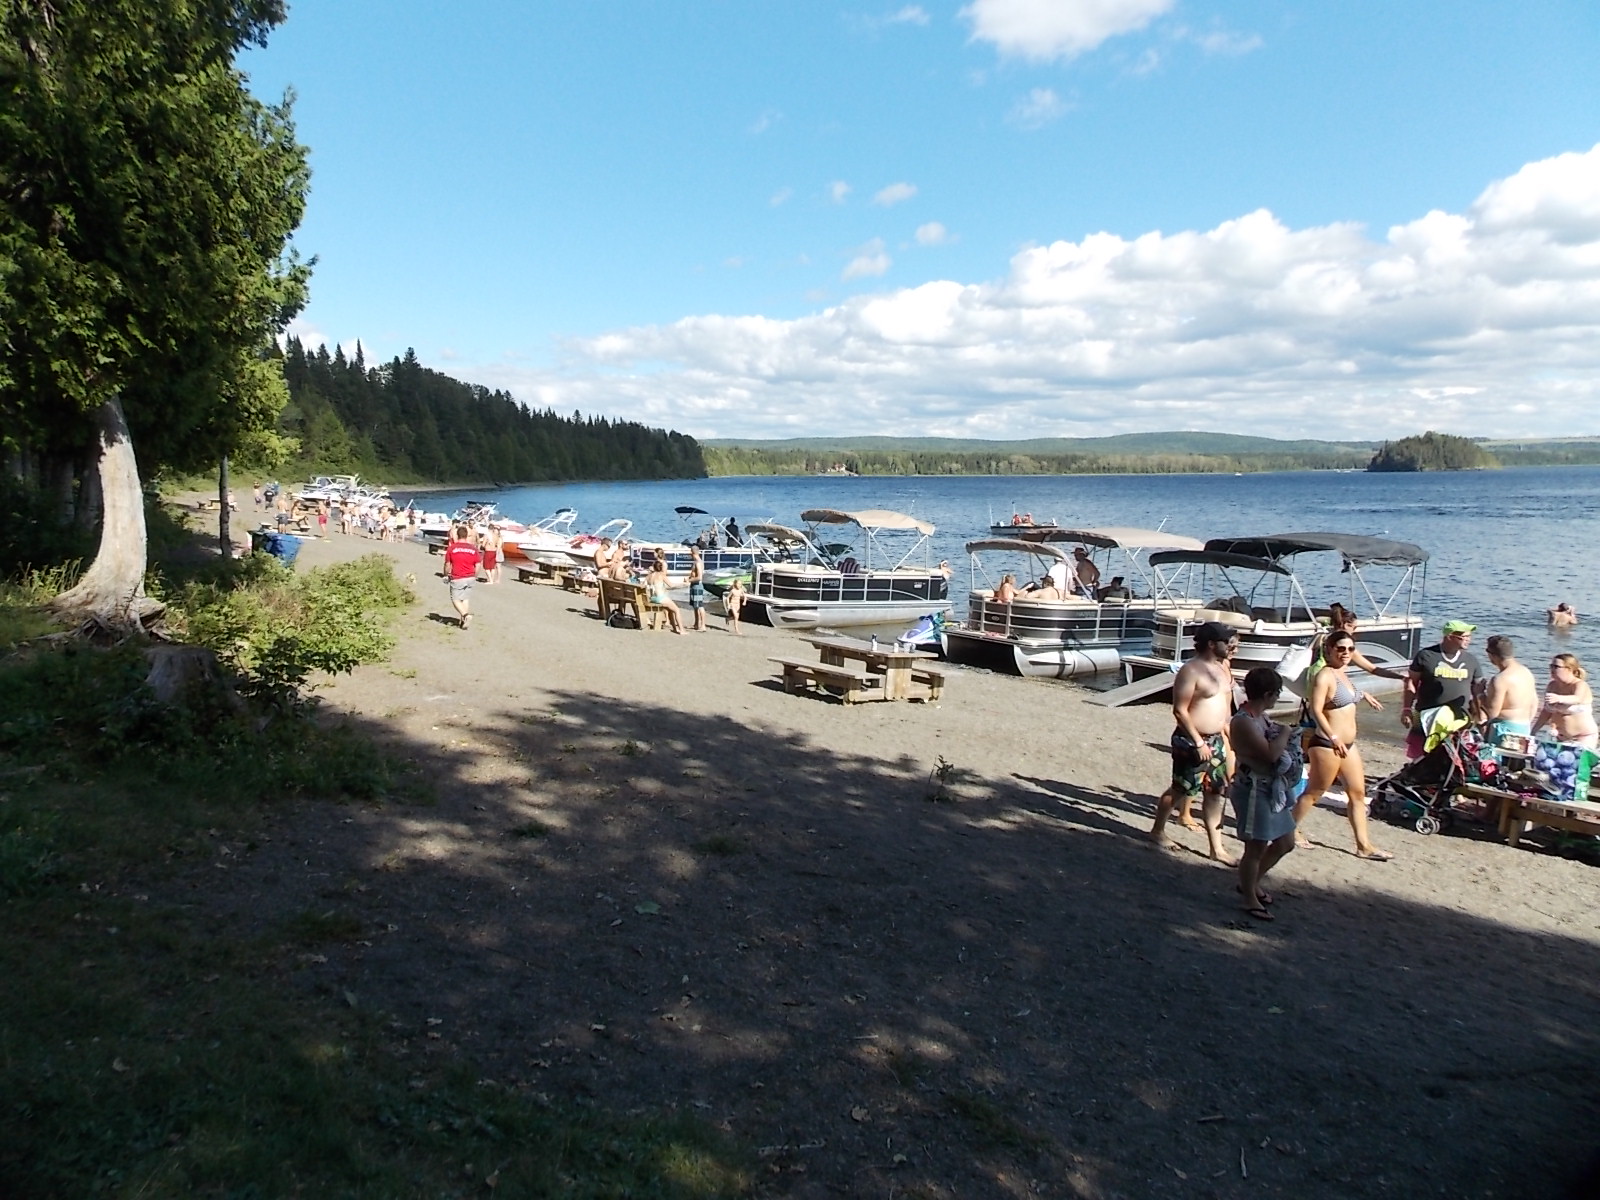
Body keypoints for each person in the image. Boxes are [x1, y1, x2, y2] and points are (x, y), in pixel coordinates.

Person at [1293, 630, 1391, 860]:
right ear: (1329, 649)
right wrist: (1334, 738)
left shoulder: (1343, 673)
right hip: (1328, 743)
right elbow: (1317, 710)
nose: (1346, 653)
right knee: (1315, 792)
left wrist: (1363, 694)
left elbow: (1346, 697)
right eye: (1341, 649)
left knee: (1357, 793)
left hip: (1349, 745)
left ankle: (1363, 845)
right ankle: (1288, 830)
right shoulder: (1324, 675)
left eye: (1350, 649)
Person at [1149, 622, 1239, 863]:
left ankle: (1216, 847)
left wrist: (1231, 740)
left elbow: (1226, 710)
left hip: (1217, 739)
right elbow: (1180, 710)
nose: (1230, 646)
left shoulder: (1222, 669)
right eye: (1225, 641)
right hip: (1192, 740)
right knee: (1181, 788)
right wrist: (1198, 742)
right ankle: (1158, 830)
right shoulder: (1191, 671)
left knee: (1216, 792)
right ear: (1211, 644)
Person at [1229, 668, 1303, 921]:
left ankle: (1252, 882)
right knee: (1255, 847)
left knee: (1286, 842)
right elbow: (1270, 754)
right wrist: (1284, 734)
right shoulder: (1243, 721)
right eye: (1276, 694)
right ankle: (1249, 897)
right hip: (1253, 789)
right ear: (1269, 693)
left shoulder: (1260, 716)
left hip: (1271, 788)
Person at [1402, 620, 1483, 759]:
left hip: (1459, 718)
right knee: (1422, 756)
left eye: (1469, 636)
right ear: (1450, 636)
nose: (1469, 640)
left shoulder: (1471, 660)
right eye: (1465, 636)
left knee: (1454, 756)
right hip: (1427, 716)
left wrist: (1480, 715)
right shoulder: (1426, 655)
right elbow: (1411, 683)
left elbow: (1477, 691)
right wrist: (1407, 709)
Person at [1478, 635, 1539, 746]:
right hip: (1524, 727)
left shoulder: (1500, 679)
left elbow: (1492, 713)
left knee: (1496, 763)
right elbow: (1534, 703)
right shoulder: (1526, 673)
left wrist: (1480, 694)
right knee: (1516, 762)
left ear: (1492, 655)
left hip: (1504, 730)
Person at [1532, 654, 1598, 749]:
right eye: (1551, 666)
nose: (1552, 669)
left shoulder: (1579, 684)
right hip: (1560, 738)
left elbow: (1577, 698)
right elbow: (1546, 712)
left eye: (1556, 667)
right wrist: (1533, 731)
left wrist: (1559, 698)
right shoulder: (1552, 685)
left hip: (1583, 738)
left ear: (1569, 669)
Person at [444, 523, 479, 629]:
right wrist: (475, 575)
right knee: (465, 598)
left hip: (458, 576)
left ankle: (465, 615)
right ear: (467, 535)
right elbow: (478, 564)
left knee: (455, 599)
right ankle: (462, 621)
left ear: (457, 535)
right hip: (470, 576)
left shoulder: (452, 548)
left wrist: (446, 574)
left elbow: (447, 564)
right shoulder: (473, 549)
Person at [645, 552, 683, 634]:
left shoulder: (649, 576)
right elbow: (671, 585)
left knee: (670, 609)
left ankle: (675, 629)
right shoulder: (661, 575)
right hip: (660, 598)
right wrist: (683, 585)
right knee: (677, 610)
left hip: (653, 598)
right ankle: (681, 629)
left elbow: (644, 585)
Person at [687, 546, 707, 631]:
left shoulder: (698, 562)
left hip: (697, 585)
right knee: (695, 606)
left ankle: (703, 625)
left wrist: (688, 579)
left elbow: (699, 577)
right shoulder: (697, 562)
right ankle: (696, 623)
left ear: (692, 552)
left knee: (700, 606)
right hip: (694, 585)